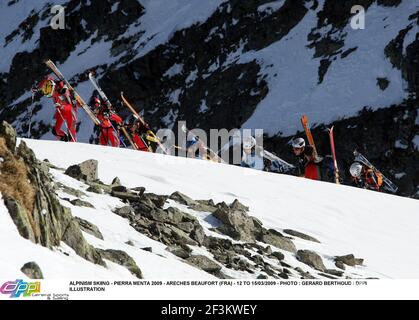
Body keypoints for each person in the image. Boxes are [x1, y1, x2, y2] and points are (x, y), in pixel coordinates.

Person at [32, 76, 79, 142]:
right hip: (60, 110)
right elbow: (47, 78)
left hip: (70, 111)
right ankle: (65, 142)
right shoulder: (52, 85)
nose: (49, 93)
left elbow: (69, 104)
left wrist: (61, 105)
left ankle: (73, 147)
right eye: (46, 92)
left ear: (52, 86)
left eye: (49, 91)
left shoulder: (62, 90)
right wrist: (37, 88)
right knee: (55, 131)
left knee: (71, 135)